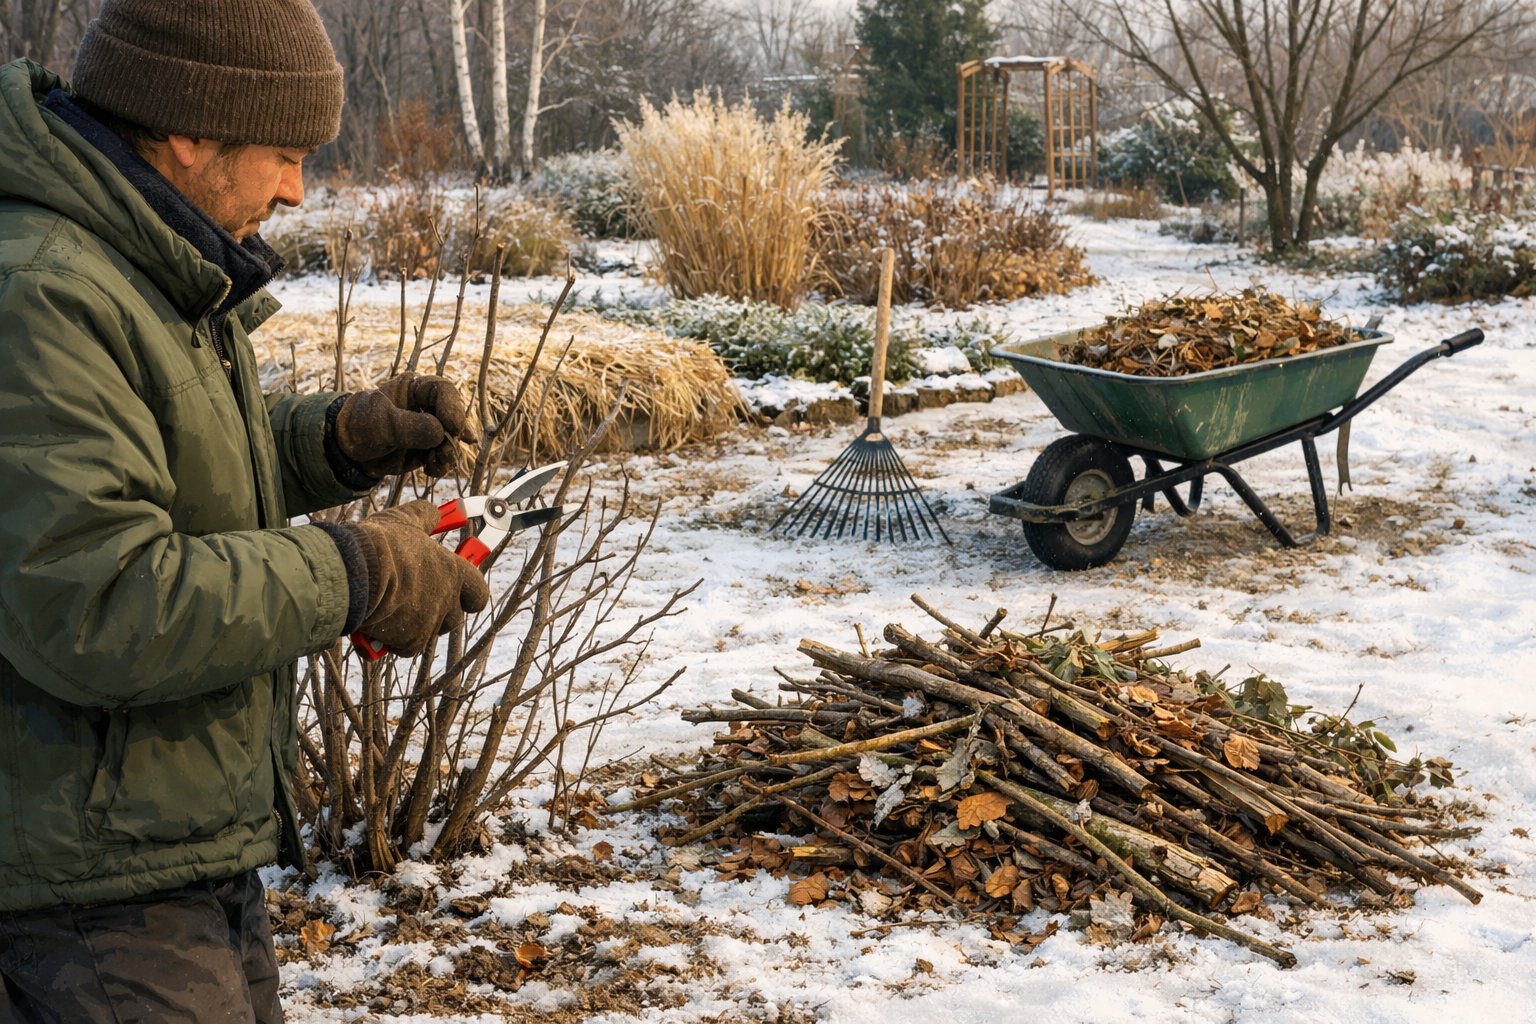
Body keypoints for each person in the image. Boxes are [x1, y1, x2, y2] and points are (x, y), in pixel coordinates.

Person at [0, 1, 492, 1020]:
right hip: (82, 884)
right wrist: (357, 571)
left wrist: (340, 437)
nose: (297, 189)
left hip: (163, 843)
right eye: (282, 154)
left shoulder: (140, 257)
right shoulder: (42, 291)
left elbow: (161, 463)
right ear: (189, 129)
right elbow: (93, 597)